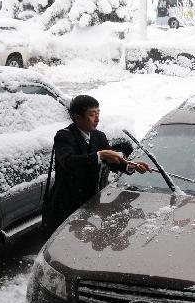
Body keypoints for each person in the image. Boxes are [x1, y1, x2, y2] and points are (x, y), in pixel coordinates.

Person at [42, 95, 151, 231]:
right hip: (66, 206)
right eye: (92, 115)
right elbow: (68, 162)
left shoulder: (98, 136)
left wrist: (130, 165)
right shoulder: (64, 136)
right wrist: (100, 155)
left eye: (98, 113)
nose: (97, 119)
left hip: (89, 203)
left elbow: (112, 161)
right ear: (78, 117)